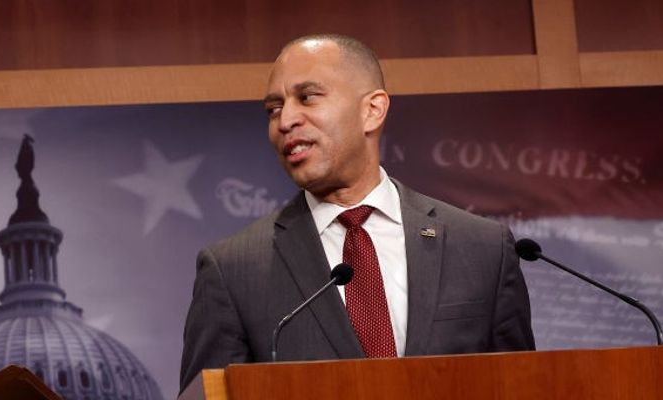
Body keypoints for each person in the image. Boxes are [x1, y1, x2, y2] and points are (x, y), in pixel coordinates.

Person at [180, 34, 534, 391]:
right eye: (273, 108)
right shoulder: (233, 271)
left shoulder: (481, 248)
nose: (285, 120)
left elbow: (522, 387)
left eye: (307, 98)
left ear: (372, 110)